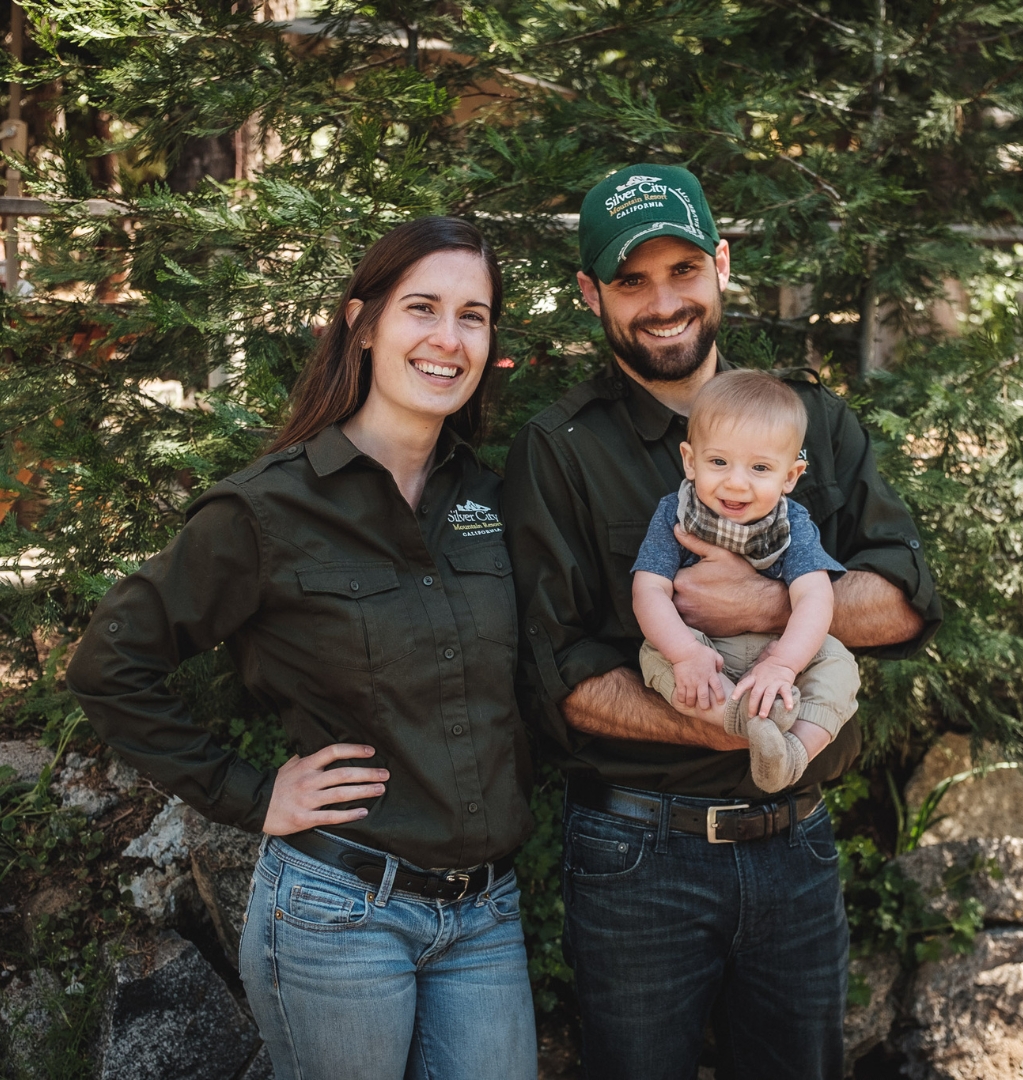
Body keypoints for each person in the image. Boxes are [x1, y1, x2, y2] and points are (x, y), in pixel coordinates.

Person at [67, 217, 538, 1080]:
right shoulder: (266, 510)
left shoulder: (491, 497)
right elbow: (110, 665)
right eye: (422, 308)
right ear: (362, 323)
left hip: (485, 915)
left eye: (473, 316)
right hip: (340, 911)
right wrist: (247, 794)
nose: (448, 338)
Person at [503, 165, 942, 1080]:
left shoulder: (813, 421)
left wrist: (775, 604)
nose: (663, 302)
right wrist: (743, 723)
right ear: (591, 294)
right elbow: (559, 671)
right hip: (638, 855)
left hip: (798, 843)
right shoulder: (561, 448)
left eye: (683, 271)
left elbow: (903, 597)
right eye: (632, 280)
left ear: (722, 267)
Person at [632, 368, 860, 794]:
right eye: (718, 462)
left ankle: (793, 753)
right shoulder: (675, 513)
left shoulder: (791, 523)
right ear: (690, 460)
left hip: (778, 655)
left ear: (790, 477)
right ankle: (745, 721)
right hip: (704, 652)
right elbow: (649, 588)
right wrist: (684, 653)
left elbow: (814, 596)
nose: (736, 482)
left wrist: (785, 662)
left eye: (760, 467)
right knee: (656, 657)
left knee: (839, 665)